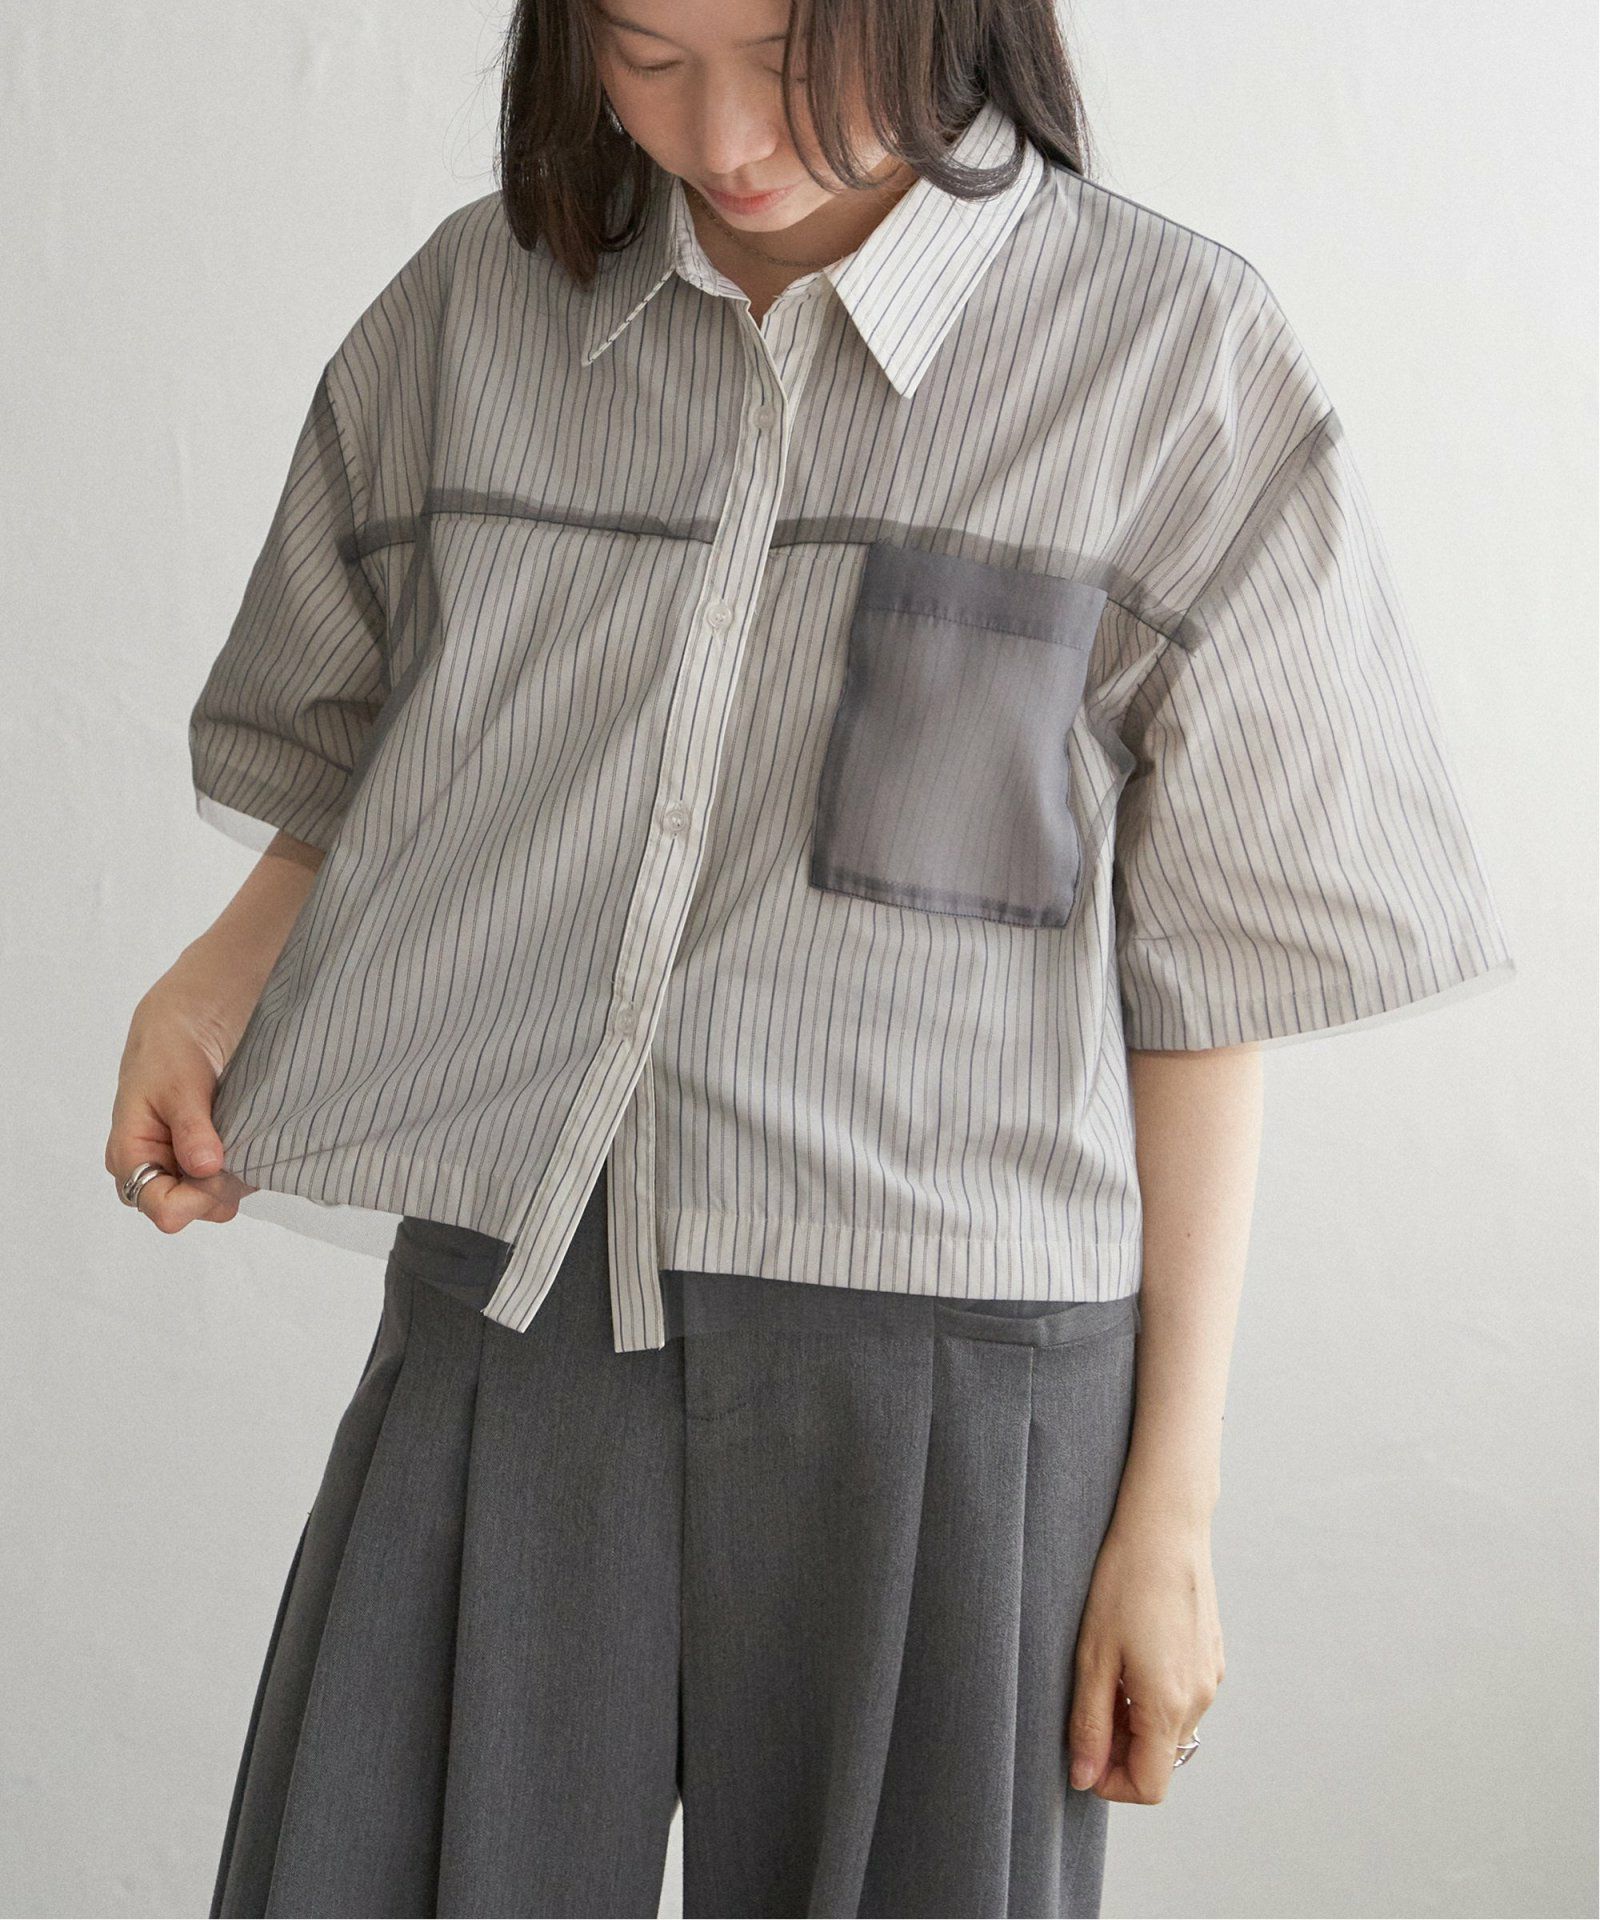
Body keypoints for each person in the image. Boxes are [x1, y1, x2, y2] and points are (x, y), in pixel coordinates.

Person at [107, 1, 1516, 1914]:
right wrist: (216, 977)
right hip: (522, 1291)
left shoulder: (1165, 353)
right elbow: (369, 742)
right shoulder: (475, 313)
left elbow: (1214, 974)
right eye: (645, 50)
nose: (724, 136)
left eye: (785, 51)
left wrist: (1171, 1505)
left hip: (950, 1359)